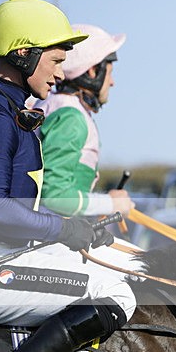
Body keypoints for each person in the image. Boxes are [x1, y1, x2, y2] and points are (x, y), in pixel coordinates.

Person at [0, 0, 135, 352]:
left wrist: (79, 231)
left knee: (122, 269)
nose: (62, 73)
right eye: (56, 61)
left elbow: (20, 207)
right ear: (23, 54)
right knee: (118, 294)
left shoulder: (5, 109)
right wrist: (64, 228)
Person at [36, 23, 134, 218]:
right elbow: (54, 196)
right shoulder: (70, 116)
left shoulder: (52, 103)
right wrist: (110, 203)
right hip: (48, 235)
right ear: (92, 72)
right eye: (110, 72)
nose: (112, 82)